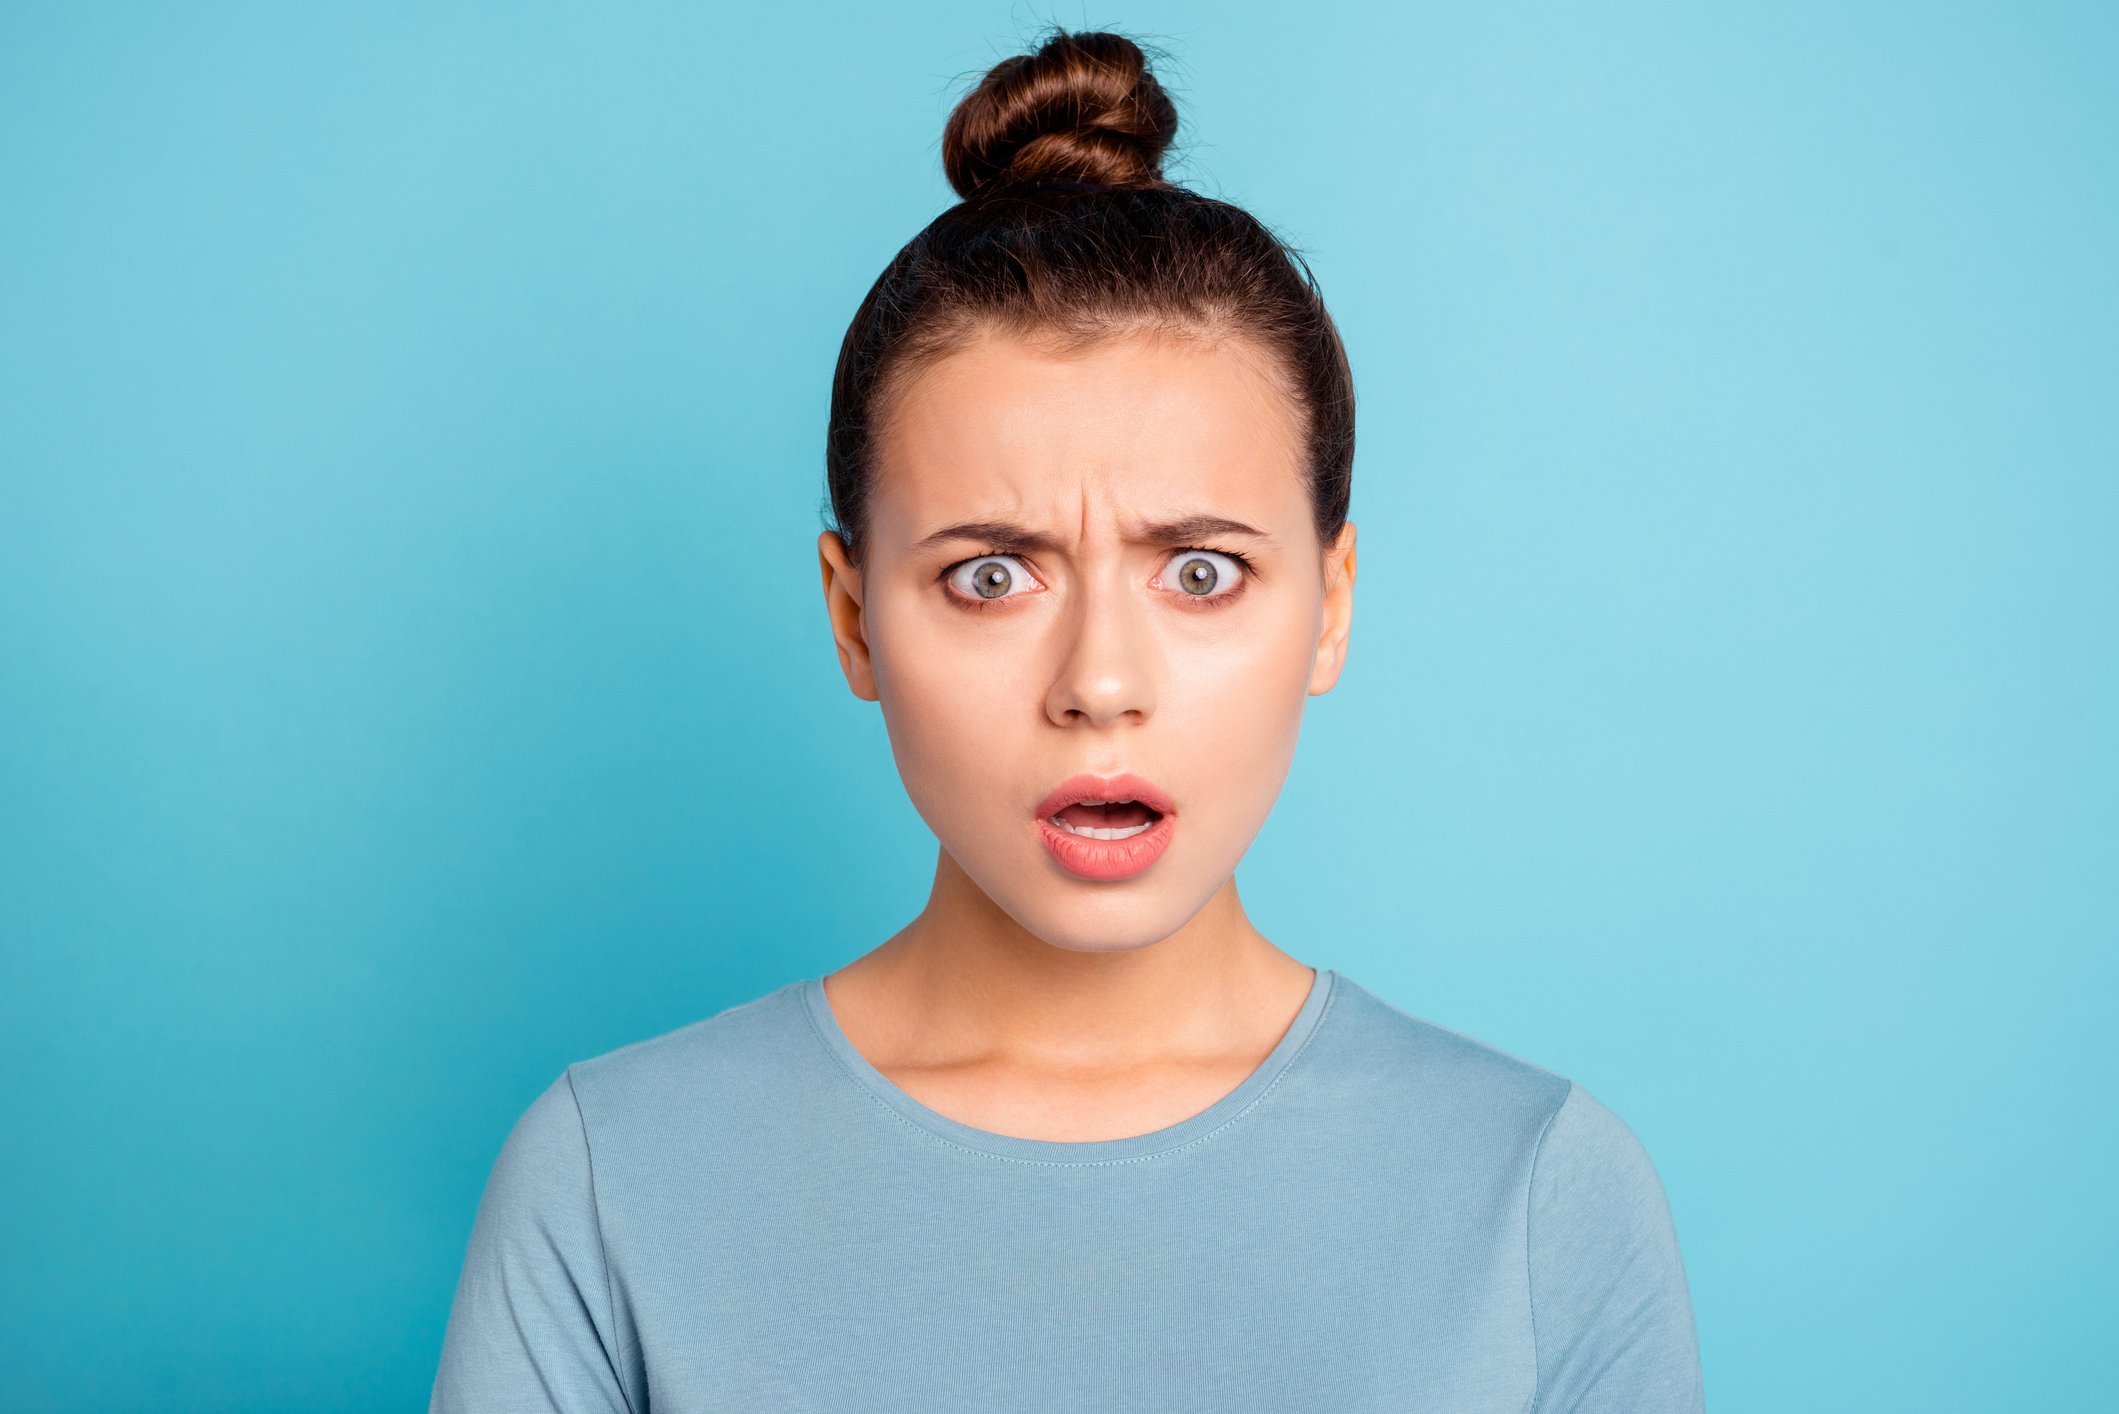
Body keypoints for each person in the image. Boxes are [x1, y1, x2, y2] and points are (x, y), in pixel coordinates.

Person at [429, 27, 1704, 1413]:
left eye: (1202, 572)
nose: (1100, 678)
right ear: (854, 615)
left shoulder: (1537, 1196)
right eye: (991, 574)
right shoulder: (612, 1182)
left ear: (1330, 603)